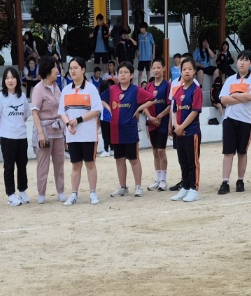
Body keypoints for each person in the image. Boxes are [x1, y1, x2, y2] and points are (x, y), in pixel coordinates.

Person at [61, 57, 103, 206]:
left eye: (75, 67)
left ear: (83, 70)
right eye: (71, 68)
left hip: (88, 135)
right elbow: (62, 112)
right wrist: (68, 123)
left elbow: (97, 110)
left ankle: (92, 193)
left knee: (90, 164)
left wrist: (78, 120)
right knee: (75, 165)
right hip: (72, 136)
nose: (72, 70)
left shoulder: (91, 89)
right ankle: (74, 194)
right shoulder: (66, 90)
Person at [217, 49, 251, 195]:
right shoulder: (230, 80)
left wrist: (234, 95)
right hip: (230, 120)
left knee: (242, 152)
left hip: (246, 120)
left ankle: (240, 180)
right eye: (240, 59)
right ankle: (225, 182)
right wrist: (241, 96)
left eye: (246, 60)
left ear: (250, 63)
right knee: (228, 152)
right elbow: (223, 99)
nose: (242, 62)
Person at [0, 66, 31, 206]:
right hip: (7, 138)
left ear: (17, 79)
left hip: (21, 137)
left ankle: (22, 191)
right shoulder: (0, 98)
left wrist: (16, 127)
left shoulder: (22, 97)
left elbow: (25, 115)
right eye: (7, 78)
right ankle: (10, 194)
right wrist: (2, 132)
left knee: (22, 165)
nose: (10, 80)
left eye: (12, 77)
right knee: (9, 166)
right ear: (4, 81)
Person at [104, 62, 143, 198]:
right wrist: (109, 109)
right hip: (116, 131)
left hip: (130, 131)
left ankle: (138, 186)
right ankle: (122, 187)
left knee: (134, 159)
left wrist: (138, 109)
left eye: (126, 72)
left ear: (131, 75)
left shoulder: (135, 90)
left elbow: (152, 98)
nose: (123, 74)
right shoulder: (112, 89)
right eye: (120, 72)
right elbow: (101, 99)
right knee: (119, 159)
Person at [30, 57, 66, 204]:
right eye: (55, 68)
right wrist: (40, 134)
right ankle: (42, 193)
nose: (57, 70)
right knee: (43, 164)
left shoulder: (57, 87)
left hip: (58, 131)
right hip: (45, 130)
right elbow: (35, 112)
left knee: (60, 162)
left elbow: (62, 109)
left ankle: (61, 191)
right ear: (48, 70)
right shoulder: (38, 89)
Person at [169, 57, 202, 203]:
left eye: (189, 69)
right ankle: (185, 186)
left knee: (192, 161)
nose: (186, 71)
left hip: (191, 132)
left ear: (194, 71)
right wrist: (176, 126)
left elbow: (194, 111)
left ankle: (194, 189)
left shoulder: (196, 90)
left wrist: (182, 127)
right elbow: (175, 110)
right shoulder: (178, 90)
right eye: (184, 69)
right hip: (179, 132)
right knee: (182, 161)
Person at [135, 57, 170, 192]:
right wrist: (150, 117)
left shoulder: (167, 85)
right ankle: (157, 179)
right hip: (151, 123)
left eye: (158, 67)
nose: (156, 70)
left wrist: (160, 116)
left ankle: (164, 180)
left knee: (161, 150)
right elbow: (145, 105)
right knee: (155, 151)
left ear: (164, 68)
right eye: (153, 68)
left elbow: (170, 104)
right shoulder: (148, 86)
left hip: (163, 122)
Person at [211, 41, 234, 124]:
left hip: (227, 67)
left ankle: (229, 116)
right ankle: (222, 117)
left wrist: (231, 59)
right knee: (223, 70)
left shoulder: (229, 54)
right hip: (222, 67)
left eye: (226, 46)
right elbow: (218, 62)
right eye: (223, 46)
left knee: (233, 74)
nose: (225, 47)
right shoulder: (220, 54)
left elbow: (231, 61)